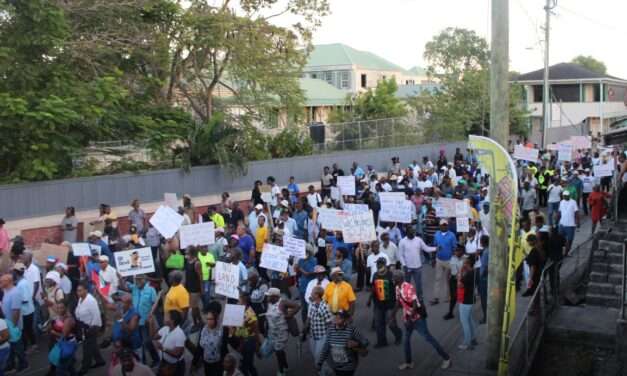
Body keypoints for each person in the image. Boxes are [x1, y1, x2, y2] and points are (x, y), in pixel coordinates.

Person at [391, 271, 451, 370]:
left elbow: (414, 304)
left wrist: (410, 319)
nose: (393, 279)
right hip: (408, 319)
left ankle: (447, 358)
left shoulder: (408, 287)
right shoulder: (397, 288)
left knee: (429, 338)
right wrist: (392, 315)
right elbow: (398, 302)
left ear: (400, 278)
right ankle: (409, 362)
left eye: (394, 277)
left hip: (417, 319)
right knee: (406, 341)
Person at [118, 274, 159, 366]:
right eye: (136, 280)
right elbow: (123, 286)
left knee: (146, 342)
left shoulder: (151, 290)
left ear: (144, 279)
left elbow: (155, 303)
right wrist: (121, 278)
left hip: (144, 321)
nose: (138, 282)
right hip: (134, 321)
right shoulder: (134, 288)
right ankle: (142, 362)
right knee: (139, 343)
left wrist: (151, 315)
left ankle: (156, 359)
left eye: (140, 279)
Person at [316, 310, 369, 376]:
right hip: (334, 366)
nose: (336, 318)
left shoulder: (351, 329)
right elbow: (326, 347)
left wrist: (357, 343)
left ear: (345, 320)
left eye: (340, 317)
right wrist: (319, 363)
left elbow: (366, 341)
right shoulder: (330, 330)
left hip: (348, 367)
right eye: (336, 316)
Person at [264, 287, 300, 376]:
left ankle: (281, 371)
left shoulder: (282, 302)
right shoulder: (268, 303)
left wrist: (289, 315)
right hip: (272, 332)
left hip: (282, 333)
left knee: (278, 351)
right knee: (279, 351)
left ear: (275, 297)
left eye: (269, 296)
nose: (267, 298)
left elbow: (297, 306)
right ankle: (285, 365)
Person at [368, 258, 401, 348]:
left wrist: (399, 300)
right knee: (379, 323)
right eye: (377, 264)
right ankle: (382, 341)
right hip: (378, 304)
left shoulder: (391, 275)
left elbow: (398, 287)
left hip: (390, 304)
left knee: (391, 323)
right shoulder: (375, 275)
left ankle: (398, 335)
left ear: (385, 264)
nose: (378, 265)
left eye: (380, 264)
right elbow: (373, 288)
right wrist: (369, 299)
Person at [75, 282, 105, 375]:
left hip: (91, 327)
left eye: (80, 290)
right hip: (83, 325)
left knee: (86, 347)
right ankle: (100, 361)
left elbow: (96, 315)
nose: (78, 292)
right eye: (77, 291)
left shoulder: (91, 301)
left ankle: (85, 367)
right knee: (93, 345)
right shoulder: (80, 299)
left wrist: (91, 329)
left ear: (86, 290)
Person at [398, 227, 436, 300]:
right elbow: (400, 255)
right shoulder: (402, 241)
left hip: (417, 267)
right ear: (407, 233)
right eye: (411, 232)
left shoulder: (418, 240)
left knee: (418, 284)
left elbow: (426, 248)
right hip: (407, 267)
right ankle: (406, 297)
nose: (412, 234)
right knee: (406, 284)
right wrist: (404, 265)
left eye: (413, 232)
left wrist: (435, 248)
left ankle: (419, 297)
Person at [1, 274, 27, 373]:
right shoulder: (5, 290)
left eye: (2, 281)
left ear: (8, 281)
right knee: (11, 346)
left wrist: (14, 326)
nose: (0, 283)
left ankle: (23, 364)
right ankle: (10, 364)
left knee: (17, 346)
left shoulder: (15, 292)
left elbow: (16, 311)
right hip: (8, 323)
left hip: (13, 324)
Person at [303, 286, 332, 374]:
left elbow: (329, 324)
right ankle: (328, 370)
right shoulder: (311, 304)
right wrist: (303, 330)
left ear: (317, 295)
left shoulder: (325, 307)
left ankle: (322, 373)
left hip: (322, 336)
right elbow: (308, 318)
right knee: (316, 355)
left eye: (312, 292)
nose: (310, 293)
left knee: (318, 357)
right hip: (313, 335)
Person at [151, 310, 186, 375]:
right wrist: (151, 323)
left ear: (172, 320)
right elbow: (153, 337)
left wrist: (162, 348)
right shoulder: (165, 328)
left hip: (174, 367)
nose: (164, 318)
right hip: (164, 363)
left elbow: (177, 354)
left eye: (166, 317)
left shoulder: (180, 334)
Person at [431, 220, 457, 305]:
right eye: (442, 225)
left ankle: (447, 297)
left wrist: (454, 260)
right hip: (439, 259)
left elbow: (454, 248)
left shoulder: (452, 235)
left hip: (449, 260)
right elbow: (434, 246)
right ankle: (436, 297)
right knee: (437, 279)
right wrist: (433, 259)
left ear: (447, 226)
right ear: (440, 226)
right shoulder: (436, 234)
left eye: (445, 225)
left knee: (448, 280)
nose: (444, 226)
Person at [196, 310, 227, 376]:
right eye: (207, 319)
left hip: (217, 361)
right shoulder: (204, 329)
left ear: (215, 319)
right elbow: (201, 344)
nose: (208, 321)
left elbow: (219, 344)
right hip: (206, 360)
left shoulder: (221, 329)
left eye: (210, 319)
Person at [457, 256, 477, 350]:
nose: (463, 264)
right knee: (469, 320)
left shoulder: (468, 274)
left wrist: (460, 272)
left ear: (468, 264)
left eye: (464, 263)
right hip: (470, 299)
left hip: (465, 300)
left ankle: (467, 343)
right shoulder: (473, 272)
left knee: (465, 322)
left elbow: (459, 284)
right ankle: (473, 338)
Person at [443, 245, 465, 320]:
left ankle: (464, 313)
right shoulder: (452, 258)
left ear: (462, 251)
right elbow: (448, 270)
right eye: (455, 250)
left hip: (462, 280)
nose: (456, 252)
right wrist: (447, 280)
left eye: (458, 250)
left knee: (462, 297)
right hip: (453, 280)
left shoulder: (466, 259)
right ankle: (450, 313)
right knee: (453, 297)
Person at [184, 247, 203, 327]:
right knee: (195, 307)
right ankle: (201, 321)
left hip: (195, 289)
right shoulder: (188, 261)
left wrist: (201, 289)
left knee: (193, 308)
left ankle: (195, 324)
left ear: (192, 254)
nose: (186, 254)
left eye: (187, 253)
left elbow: (200, 277)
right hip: (189, 287)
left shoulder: (197, 263)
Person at [557, 190, 579, 256]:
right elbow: (559, 212)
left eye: (567, 196)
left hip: (571, 225)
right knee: (561, 239)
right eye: (564, 196)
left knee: (569, 240)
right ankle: (561, 252)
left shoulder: (573, 202)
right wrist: (556, 221)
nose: (565, 197)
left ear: (569, 195)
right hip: (562, 224)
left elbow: (576, 212)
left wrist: (578, 221)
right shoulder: (561, 202)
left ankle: (567, 253)